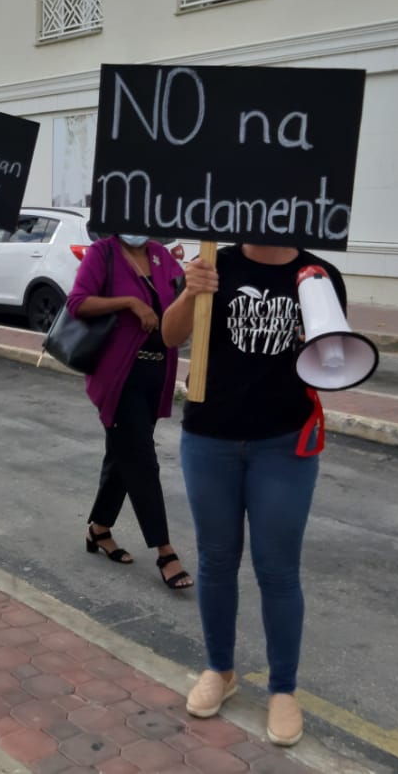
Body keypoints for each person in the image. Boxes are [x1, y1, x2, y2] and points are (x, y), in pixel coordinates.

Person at [162, 243, 348, 748]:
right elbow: (171, 336)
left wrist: (319, 333)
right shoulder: (213, 263)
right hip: (209, 439)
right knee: (217, 560)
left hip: (284, 445)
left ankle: (283, 688)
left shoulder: (319, 273)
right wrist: (189, 294)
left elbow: (333, 362)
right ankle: (219, 669)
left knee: (278, 569)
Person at [66, 233, 193, 590]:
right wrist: (128, 303)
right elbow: (77, 303)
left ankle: (99, 529)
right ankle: (165, 551)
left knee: (122, 453)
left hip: (156, 374)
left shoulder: (160, 256)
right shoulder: (103, 253)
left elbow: (182, 299)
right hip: (119, 375)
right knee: (140, 458)